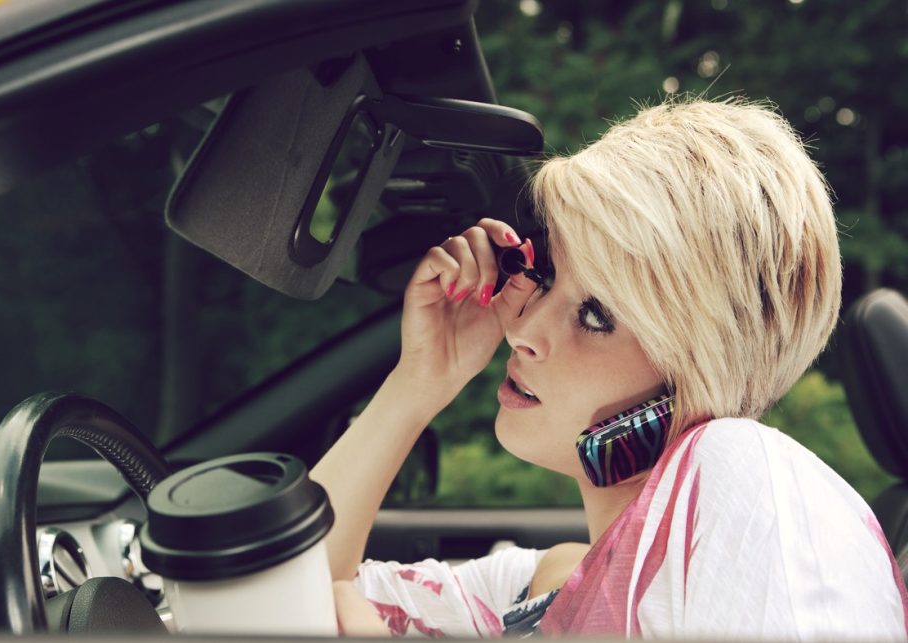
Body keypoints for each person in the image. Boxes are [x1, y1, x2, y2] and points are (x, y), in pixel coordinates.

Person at [310, 97, 908, 639]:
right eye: (544, 279)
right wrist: (420, 382)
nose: (521, 331)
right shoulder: (534, 587)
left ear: (701, 366)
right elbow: (296, 600)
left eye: (596, 316)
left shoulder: (753, 478)